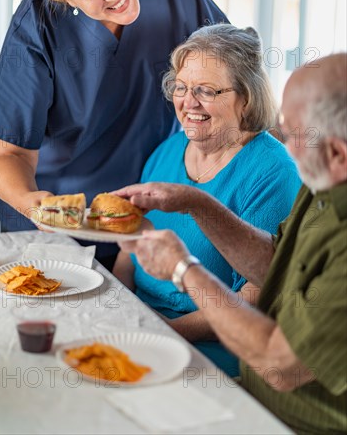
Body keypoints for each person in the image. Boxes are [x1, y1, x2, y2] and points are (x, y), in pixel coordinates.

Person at [0, 0, 228, 268]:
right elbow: (9, 156)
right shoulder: (38, 25)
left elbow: (233, 67)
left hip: (148, 200)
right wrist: (35, 205)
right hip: (59, 214)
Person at [117, 53, 347, 435]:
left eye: (291, 134)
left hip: (294, 423)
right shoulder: (324, 182)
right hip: (248, 395)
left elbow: (281, 366)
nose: (283, 145)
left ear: (337, 153)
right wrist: (197, 202)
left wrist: (182, 269)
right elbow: (277, 263)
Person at [113, 23, 301, 376]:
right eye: (181, 87)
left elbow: (259, 293)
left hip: (212, 347)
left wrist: (165, 332)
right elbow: (130, 246)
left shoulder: (273, 172)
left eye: (206, 91)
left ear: (245, 98)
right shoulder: (167, 152)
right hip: (139, 323)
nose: (188, 102)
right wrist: (116, 309)